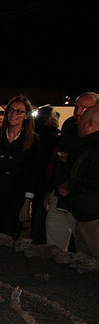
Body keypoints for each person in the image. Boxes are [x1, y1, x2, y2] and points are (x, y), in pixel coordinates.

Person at [0, 96, 40, 239]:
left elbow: (33, 172)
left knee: (8, 237)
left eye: (19, 111)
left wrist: (27, 201)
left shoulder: (32, 141)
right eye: (11, 110)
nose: (14, 114)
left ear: (26, 116)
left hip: (14, 197)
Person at [46, 92, 97, 250]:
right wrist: (51, 190)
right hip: (61, 199)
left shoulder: (93, 144)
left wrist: (72, 184)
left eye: (84, 108)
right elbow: (57, 165)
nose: (78, 112)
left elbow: (93, 175)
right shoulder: (70, 129)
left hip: (86, 209)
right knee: (56, 247)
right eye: (77, 106)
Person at [59, 104, 99, 258]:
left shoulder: (94, 148)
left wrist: (72, 185)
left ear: (89, 124)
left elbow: (95, 179)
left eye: (83, 118)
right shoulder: (89, 145)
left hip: (92, 217)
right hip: (85, 215)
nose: (78, 121)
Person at [31, 106, 61, 244]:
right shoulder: (54, 139)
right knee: (43, 216)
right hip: (46, 180)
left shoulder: (33, 136)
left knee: (38, 216)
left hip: (36, 179)